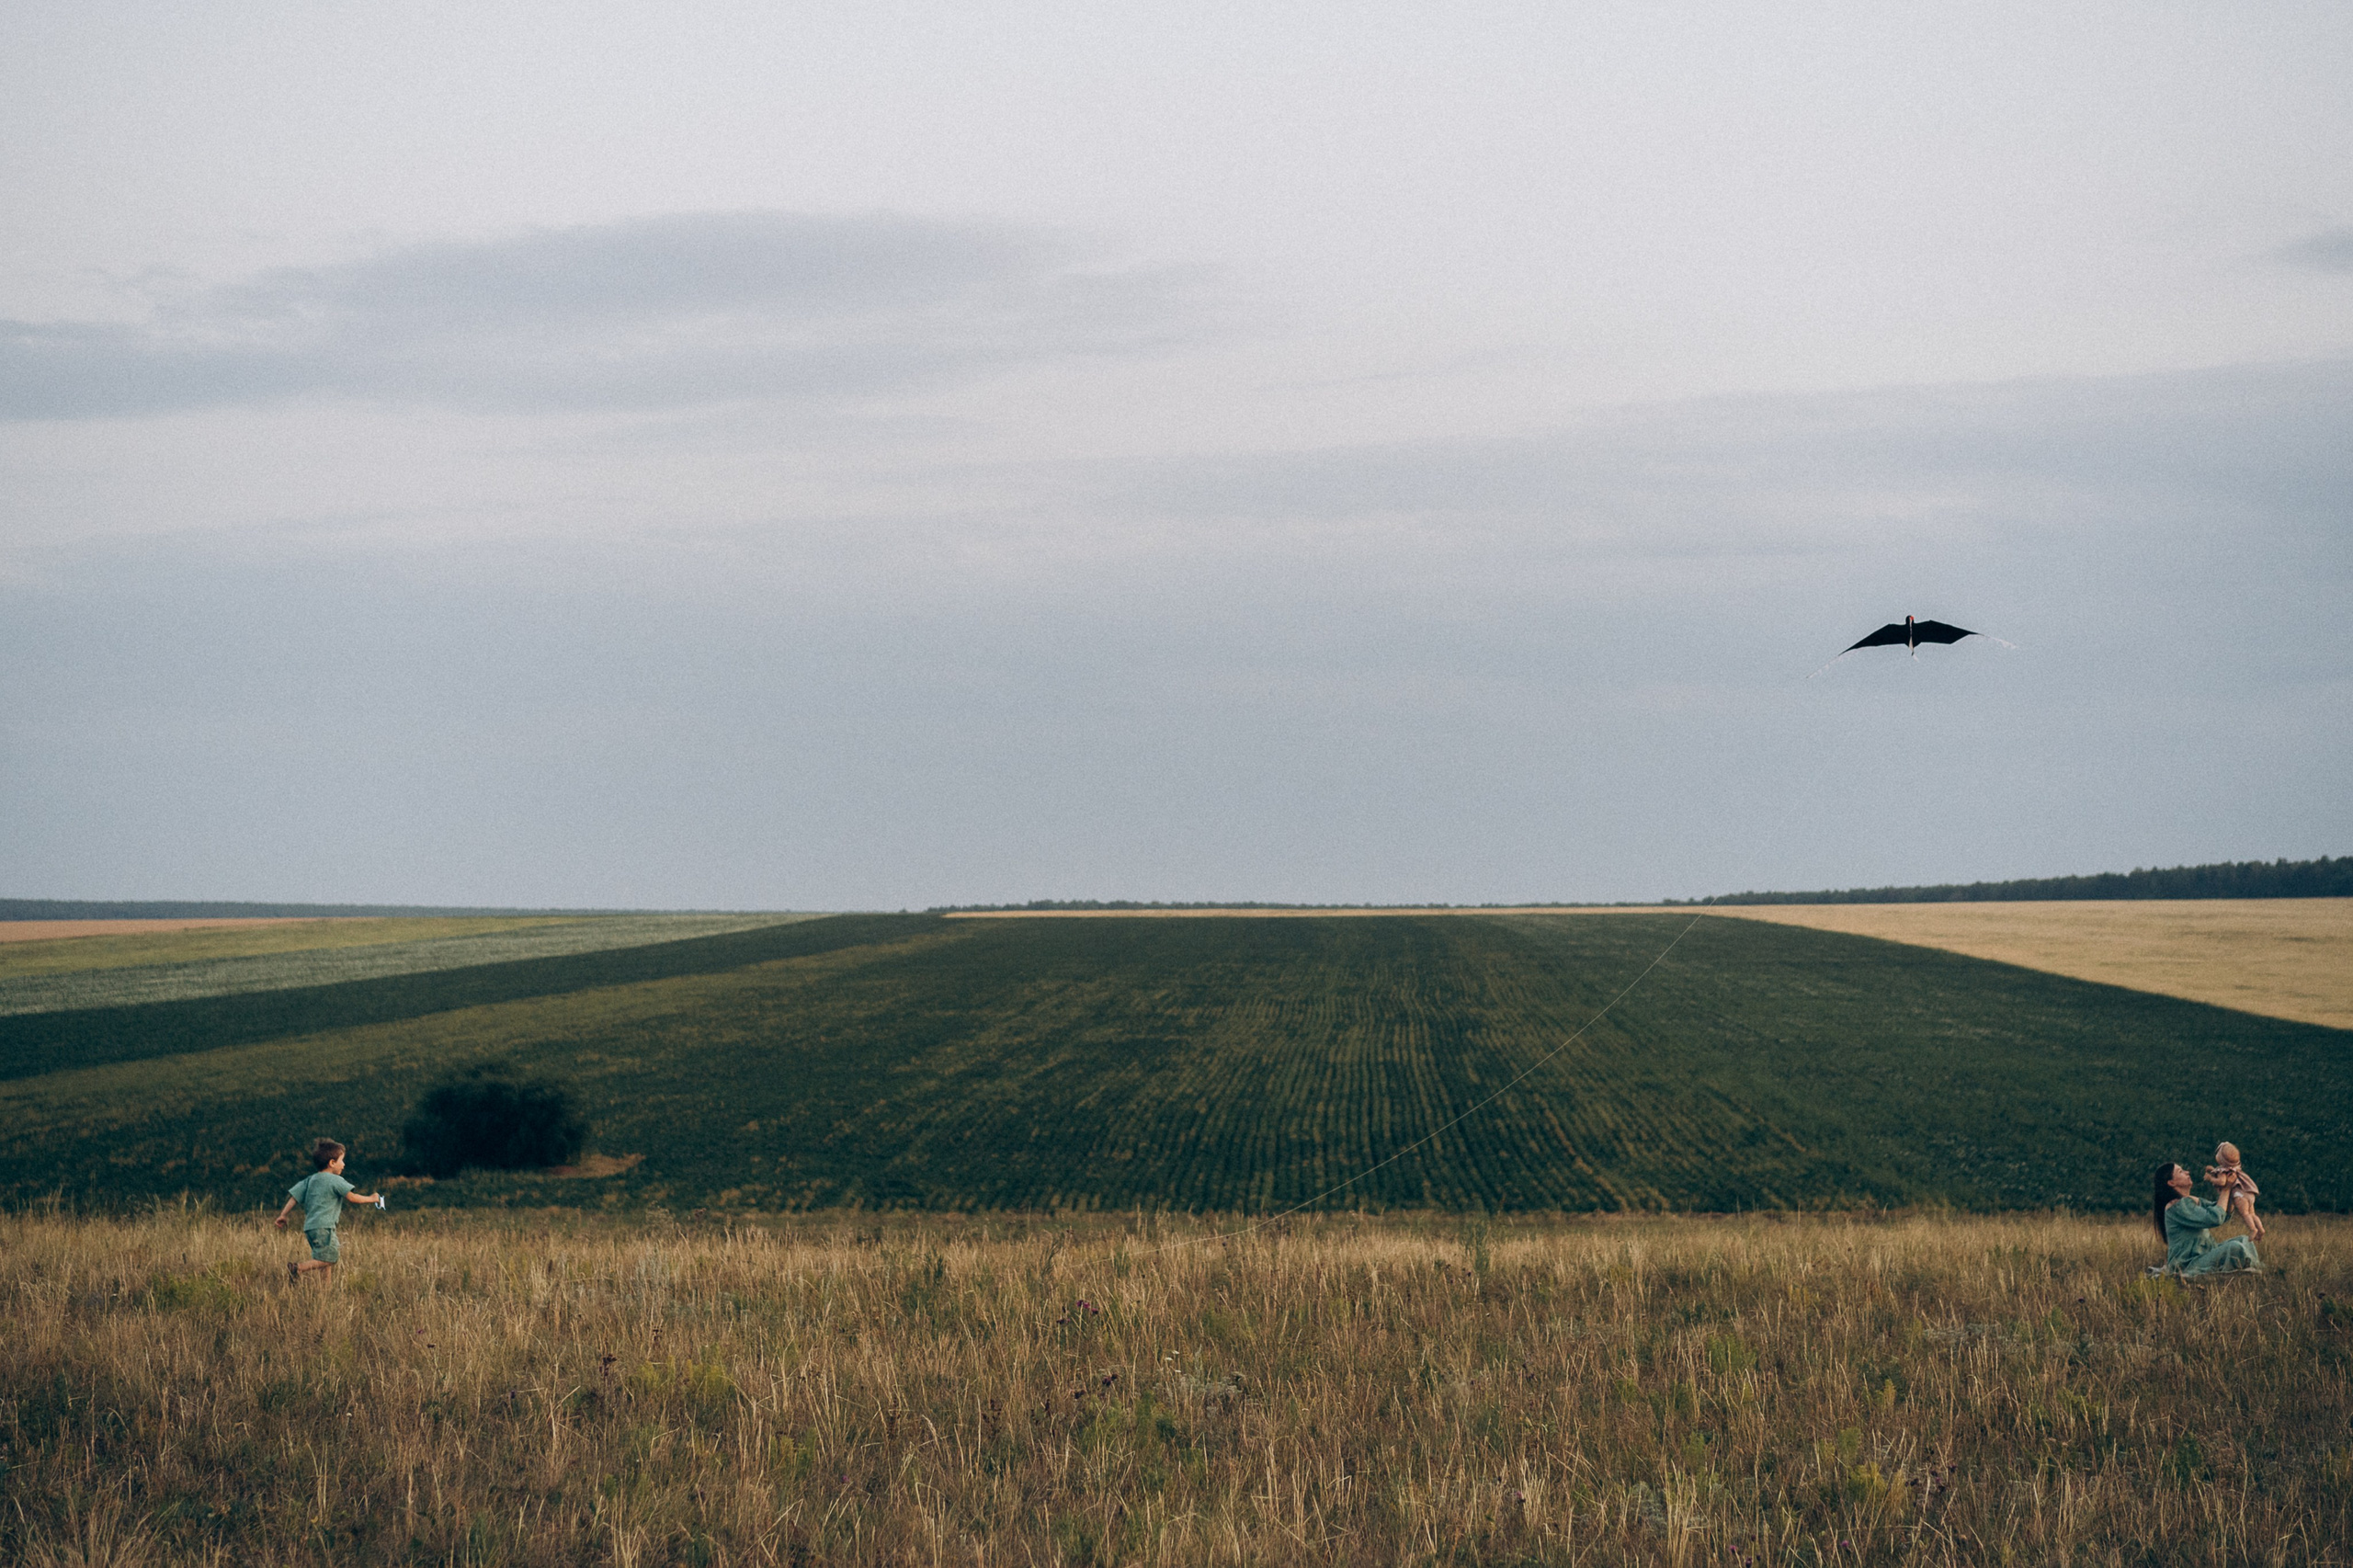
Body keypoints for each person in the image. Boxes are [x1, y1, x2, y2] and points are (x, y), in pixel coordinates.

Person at [275, 1138, 381, 1284]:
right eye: (341, 1160)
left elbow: (294, 1197)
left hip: (310, 1227)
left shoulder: (310, 1179)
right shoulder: (335, 1180)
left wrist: (283, 1215)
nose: (344, 1164)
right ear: (332, 1163)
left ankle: (326, 1290)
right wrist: (372, 1198)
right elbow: (353, 1197)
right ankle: (298, 1268)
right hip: (324, 1227)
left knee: (323, 1259)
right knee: (330, 1258)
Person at [2149, 1161, 2259, 1277]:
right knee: (2234, 1248)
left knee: (2245, 1240)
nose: (2187, 1172)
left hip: (2205, 1254)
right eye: (2181, 1172)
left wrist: (2231, 1190)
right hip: (2188, 1264)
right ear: (2171, 1182)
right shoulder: (2176, 1206)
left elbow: (2222, 1211)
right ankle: (2247, 1271)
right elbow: (2215, 1218)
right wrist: (2226, 1190)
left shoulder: (2191, 1200)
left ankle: (2253, 1270)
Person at [2204, 1142, 2263, 1238]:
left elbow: (2222, 1182)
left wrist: (2210, 1178)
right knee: (2252, 1214)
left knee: (2245, 1214)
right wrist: (2213, 1170)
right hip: (2248, 1193)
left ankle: (2253, 1229)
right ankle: (2261, 1229)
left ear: (2221, 1158)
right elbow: (2220, 1172)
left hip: (2239, 1195)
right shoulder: (2235, 1168)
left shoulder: (2223, 1171)